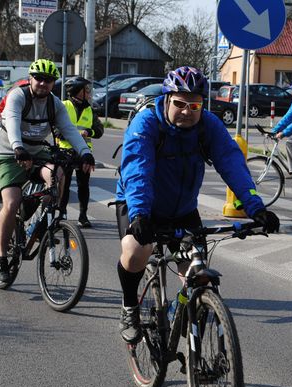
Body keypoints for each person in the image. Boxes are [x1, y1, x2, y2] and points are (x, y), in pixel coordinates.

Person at [114, 66, 280, 344]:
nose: (187, 111)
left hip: (182, 210)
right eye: (179, 103)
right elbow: (137, 170)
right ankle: (129, 309)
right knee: (136, 251)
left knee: (199, 276)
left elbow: (232, 164)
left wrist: (256, 208)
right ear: (166, 99)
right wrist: (140, 214)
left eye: (195, 105)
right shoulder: (146, 124)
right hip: (139, 206)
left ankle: (193, 340)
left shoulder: (208, 126)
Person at [0, 59, 96, 281]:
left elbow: (69, 130)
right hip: (9, 151)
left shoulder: (54, 104)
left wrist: (85, 152)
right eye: (39, 78)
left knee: (57, 174)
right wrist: (18, 148)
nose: (43, 83)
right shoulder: (18, 96)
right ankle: (1, 256)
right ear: (30, 79)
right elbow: (12, 123)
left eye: (49, 80)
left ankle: (45, 221)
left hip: (37, 151)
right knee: (11, 203)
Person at [57, 76, 104, 228]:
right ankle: (61, 213)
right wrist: (73, 135)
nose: (89, 93)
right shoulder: (63, 106)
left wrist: (88, 132)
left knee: (84, 185)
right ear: (77, 91)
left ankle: (83, 216)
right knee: (63, 185)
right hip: (65, 151)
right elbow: (56, 130)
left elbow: (99, 131)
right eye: (86, 90)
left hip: (84, 154)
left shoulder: (90, 110)